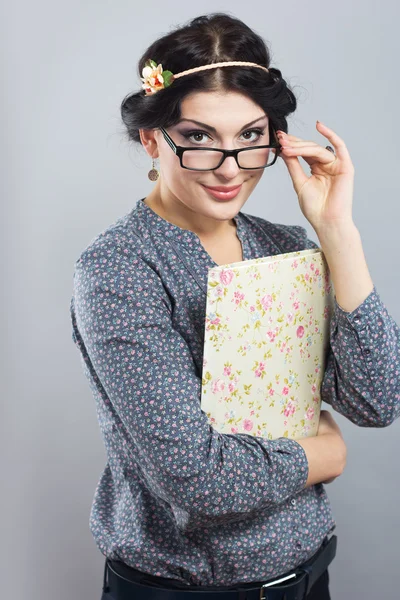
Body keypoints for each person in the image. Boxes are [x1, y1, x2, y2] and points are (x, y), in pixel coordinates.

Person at [70, 12, 400, 600]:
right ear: (151, 138)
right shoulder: (120, 271)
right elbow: (200, 481)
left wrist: (336, 232)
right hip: (188, 587)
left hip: (308, 567)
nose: (229, 168)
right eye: (198, 138)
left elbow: (377, 399)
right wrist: (323, 454)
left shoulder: (286, 245)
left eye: (250, 137)